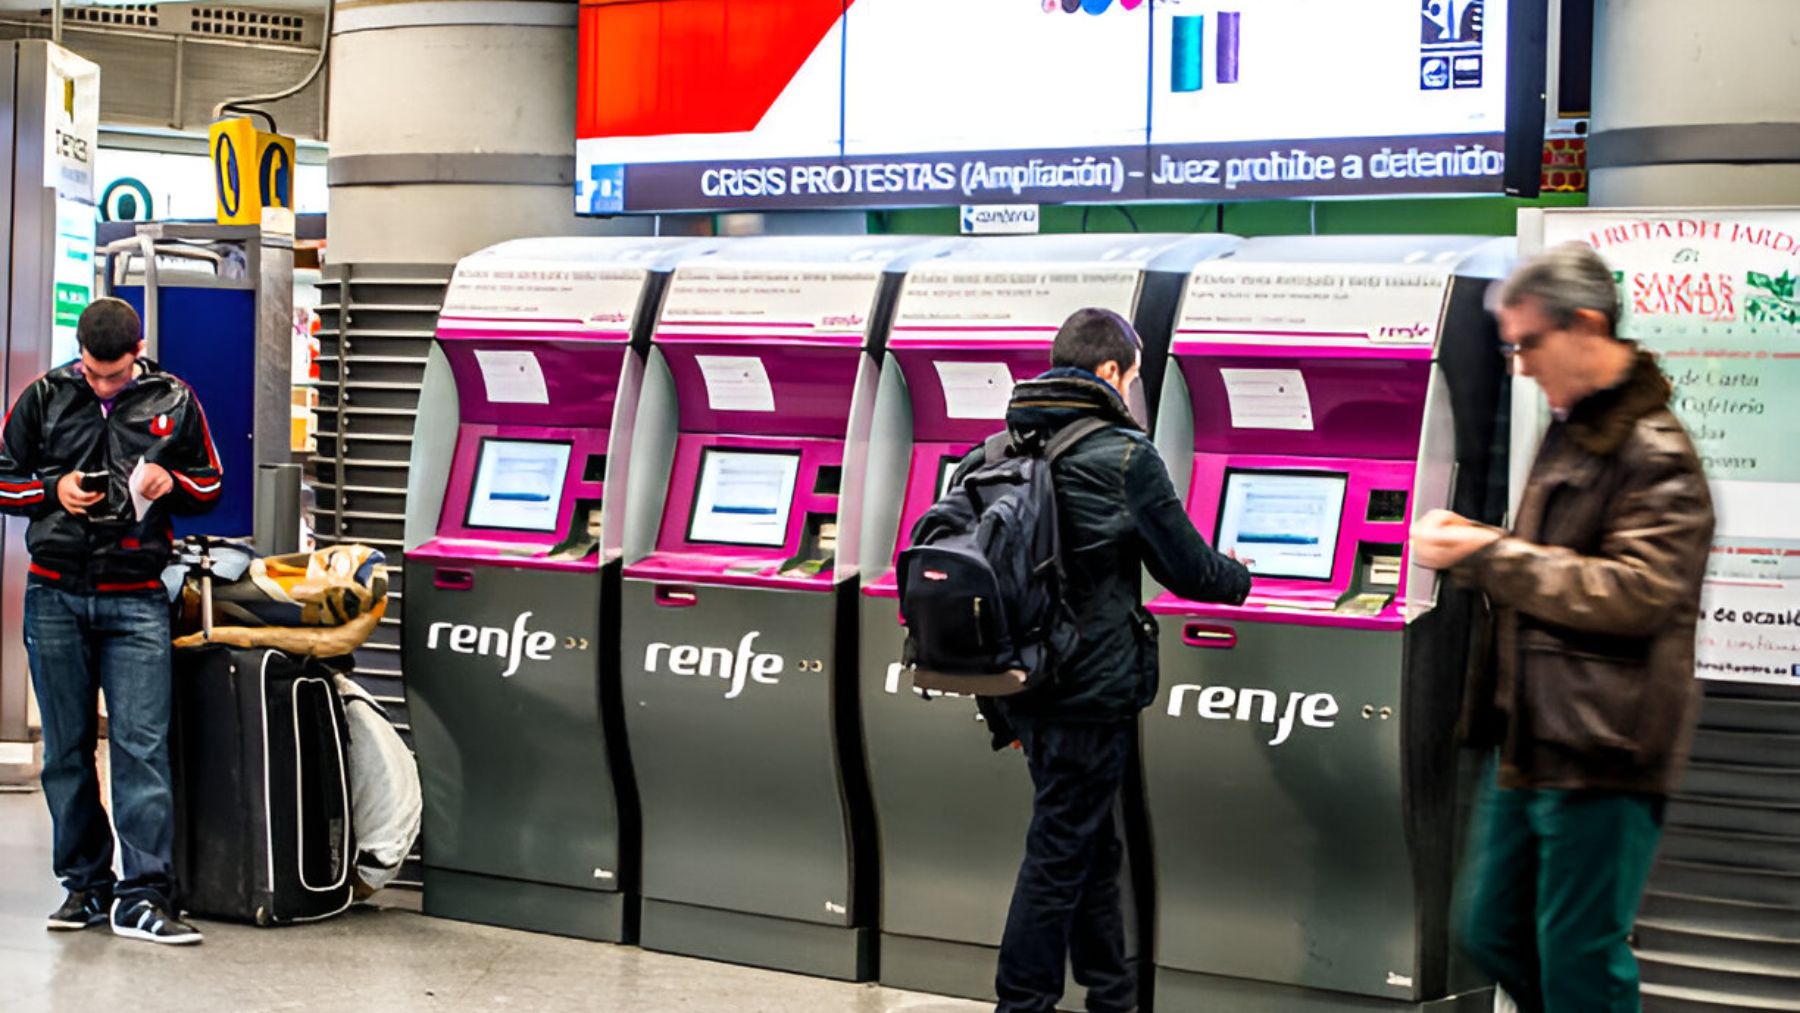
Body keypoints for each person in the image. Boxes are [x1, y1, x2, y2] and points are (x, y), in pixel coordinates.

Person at [1410, 243, 1714, 1012]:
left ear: (1584, 325)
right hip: (1537, 735)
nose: (1518, 365)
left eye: (1527, 344)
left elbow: (1637, 592)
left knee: (1579, 952)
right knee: (1493, 930)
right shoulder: (1575, 430)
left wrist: (1488, 551)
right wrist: (1489, 548)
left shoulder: (1656, 452)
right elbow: (1554, 564)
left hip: (1607, 745)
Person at [951, 308, 1251, 1013]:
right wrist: (1240, 573)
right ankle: (1021, 1002)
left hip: (1019, 678)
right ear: (1112, 372)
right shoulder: (1124, 454)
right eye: (1134, 376)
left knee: (1087, 837)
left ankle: (1113, 995)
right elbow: (1191, 571)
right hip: (1089, 689)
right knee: (1061, 850)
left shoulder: (994, 446)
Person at [0, 298, 224, 945]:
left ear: (140, 350)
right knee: (65, 752)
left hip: (136, 596)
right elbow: (3, 476)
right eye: (94, 374)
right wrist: (52, 491)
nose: (104, 385)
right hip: (54, 594)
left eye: (116, 375)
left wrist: (168, 481)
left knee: (140, 748)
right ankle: (85, 886)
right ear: (79, 353)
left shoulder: (174, 399)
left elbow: (210, 484)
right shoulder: (43, 397)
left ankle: (144, 893)